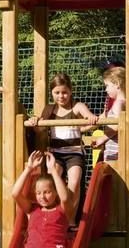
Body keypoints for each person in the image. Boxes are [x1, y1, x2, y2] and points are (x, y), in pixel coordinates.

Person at [26, 73, 99, 212]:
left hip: (74, 153)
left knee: (74, 182)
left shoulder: (77, 106)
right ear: (52, 93)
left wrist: (90, 118)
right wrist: (34, 121)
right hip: (56, 154)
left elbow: (88, 115)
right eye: (57, 92)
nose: (61, 96)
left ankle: (70, 217)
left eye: (64, 92)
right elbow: (39, 130)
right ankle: (55, 211)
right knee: (53, 180)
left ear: (70, 91)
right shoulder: (49, 109)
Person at [11, 151, 74, 248]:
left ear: (55, 193)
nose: (42, 196)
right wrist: (29, 169)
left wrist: (53, 170)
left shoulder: (62, 209)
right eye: (39, 193)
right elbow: (15, 193)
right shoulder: (32, 210)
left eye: (47, 192)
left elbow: (66, 198)